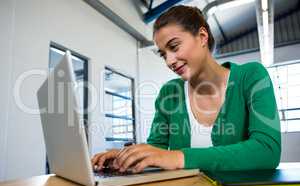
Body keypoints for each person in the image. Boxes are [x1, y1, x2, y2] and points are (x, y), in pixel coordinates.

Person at [92, 5, 281, 173]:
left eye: (174, 47)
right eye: (163, 54)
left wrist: (179, 157)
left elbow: (267, 151)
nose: (169, 61)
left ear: (202, 37)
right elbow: (156, 148)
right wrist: (129, 157)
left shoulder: (252, 76)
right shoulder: (170, 93)